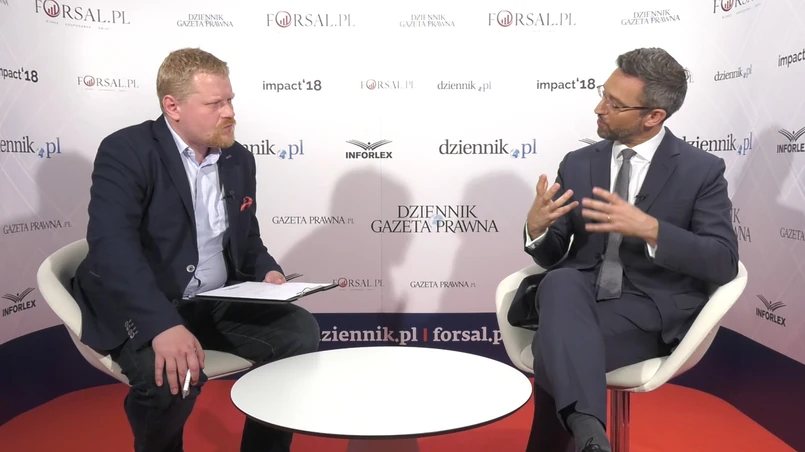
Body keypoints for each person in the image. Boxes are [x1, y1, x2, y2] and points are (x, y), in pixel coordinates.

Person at [71, 48, 321, 452]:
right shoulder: (127, 150)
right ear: (173, 107)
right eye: (214, 103)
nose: (229, 112)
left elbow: (247, 239)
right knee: (172, 379)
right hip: (142, 303)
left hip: (211, 301)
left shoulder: (238, 158)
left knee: (299, 332)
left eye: (230, 100)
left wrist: (267, 272)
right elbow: (112, 247)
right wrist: (161, 325)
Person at [509, 48, 739, 452]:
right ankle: (592, 439)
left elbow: (722, 262)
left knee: (555, 347)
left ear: (654, 116)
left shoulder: (701, 170)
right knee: (559, 282)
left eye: (614, 104)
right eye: (603, 94)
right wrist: (538, 229)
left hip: (651, 309)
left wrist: (651, 230)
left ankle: (587, 436)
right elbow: (552, 253)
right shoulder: (578, 163)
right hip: (575, 298)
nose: (599, 108)